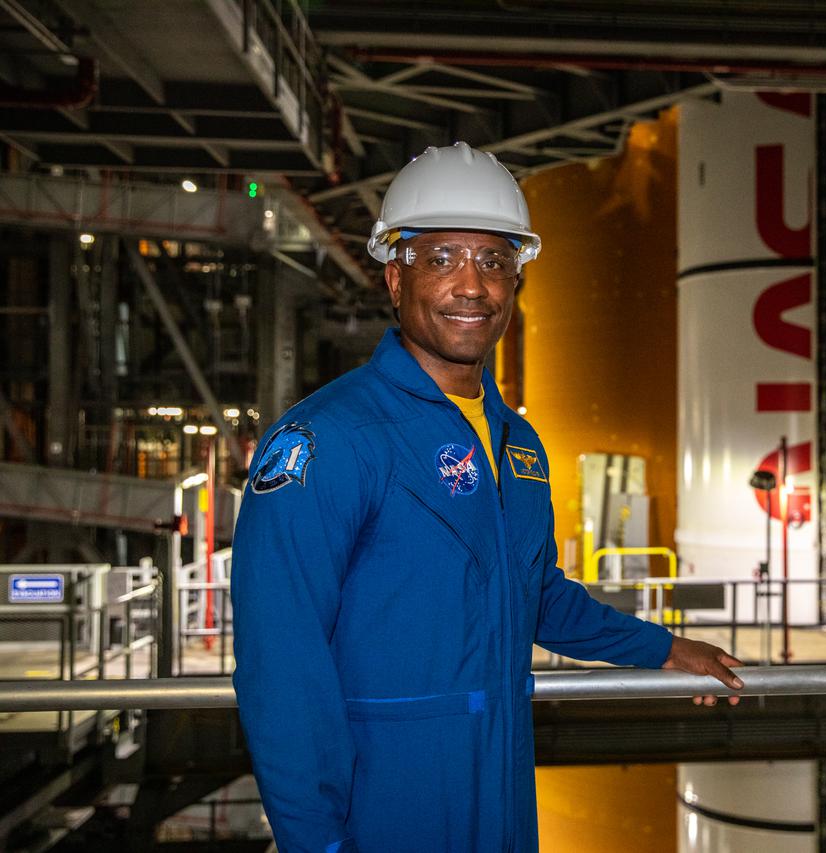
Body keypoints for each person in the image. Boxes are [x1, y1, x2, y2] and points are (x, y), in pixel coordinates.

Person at [231, 141, 743, 853]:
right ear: (394, 275)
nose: (471, 286)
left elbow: (536, 596)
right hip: (383, 811)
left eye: (495, 260)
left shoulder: (519, 446)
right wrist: (315, 843)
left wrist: (661, 648)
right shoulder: (329, 441)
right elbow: (280, 667)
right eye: (441, 258)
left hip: (500, 796)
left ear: (516, 282)